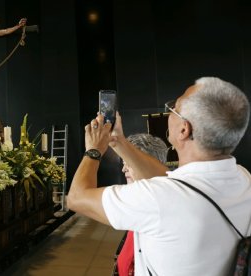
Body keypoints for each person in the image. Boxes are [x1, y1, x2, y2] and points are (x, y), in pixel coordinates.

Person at [68, 77, 251, 275]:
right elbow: (171, 180)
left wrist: (93, 150)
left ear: (184, 129)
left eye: (173, 108)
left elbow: (77, 198)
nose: (168, 112)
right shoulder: (243, 178)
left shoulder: (157, 199)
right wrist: (118, 142)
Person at [115, 133, 168, 276]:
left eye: (129, 163)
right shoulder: (138, 204)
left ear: (150, 163)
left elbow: (77, 198)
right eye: (123, 163)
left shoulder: (162, 208)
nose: (123, 169)